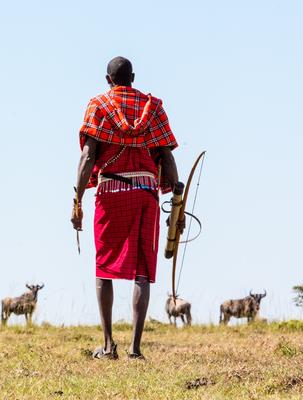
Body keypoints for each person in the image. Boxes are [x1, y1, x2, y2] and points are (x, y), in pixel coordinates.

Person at [72, 56, 182, 359]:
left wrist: (77, 198)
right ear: (132, 77)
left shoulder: (98, 106)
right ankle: (135, 349)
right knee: (142, 270)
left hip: (110, 192)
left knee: (103, 267)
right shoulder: (154, 108)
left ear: (108, 80)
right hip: (145, 192)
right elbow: (167, 156)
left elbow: (87, 156)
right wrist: (176, 198)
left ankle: (108, 346)